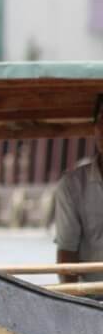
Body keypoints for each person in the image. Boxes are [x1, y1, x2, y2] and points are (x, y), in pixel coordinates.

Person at [54, 107, 103, 287]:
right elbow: (67, 252)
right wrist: (72, 300)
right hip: (94, 296)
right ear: (95, 127)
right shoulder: (72, 185)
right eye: (101, 121)